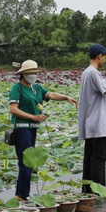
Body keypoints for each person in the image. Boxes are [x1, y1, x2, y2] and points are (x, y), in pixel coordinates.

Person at [9, 59, 78, 200]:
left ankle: (22, 193)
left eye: (35, 72)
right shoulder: (17, 88)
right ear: (23, 74)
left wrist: (66, 97)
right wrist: (32, 117)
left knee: (30, 162)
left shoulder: (37, 88)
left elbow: (51, 95)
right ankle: (22, 194)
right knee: (25, 161)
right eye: (31, 72)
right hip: (22, 128)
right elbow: (13, 109)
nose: (34, 75)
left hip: (32, 128)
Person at [78, 45, 106, 193]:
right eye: (105, 56)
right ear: (100, 56)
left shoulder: (86, 73)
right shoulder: (94, 73)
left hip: (91, 123)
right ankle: (98, 190)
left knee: (90, 158)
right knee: (99, 158)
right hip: (98, 124)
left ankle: (88, 189)